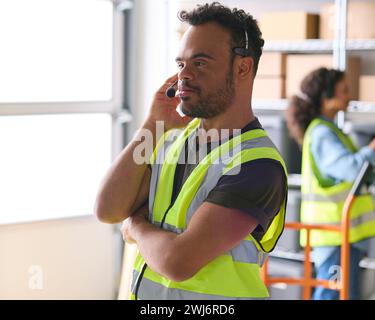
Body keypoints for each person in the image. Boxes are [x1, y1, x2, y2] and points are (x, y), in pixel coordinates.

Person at [95, 2, 288, 300]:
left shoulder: (257, 164)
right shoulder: (170, 140)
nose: (184, 75)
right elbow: (108, 209)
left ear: (243, 67)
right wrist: (152, 123)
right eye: (181, 64)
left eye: (200, 63)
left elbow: (177, 261)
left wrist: (136, 226)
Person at [286, 67, 375, 300]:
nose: (349, 95)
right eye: (344, 90)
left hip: (342, 235)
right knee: (332, 295)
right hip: (333, 235)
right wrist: (372, 151)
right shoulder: (322, 133)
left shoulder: (330, 130)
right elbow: (352, 169)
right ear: (326, 97)